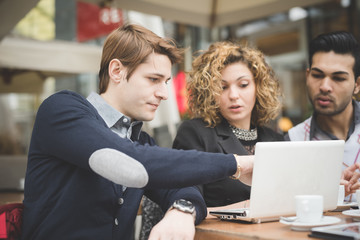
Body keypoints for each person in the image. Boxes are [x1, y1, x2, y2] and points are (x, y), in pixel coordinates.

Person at [20, 24, 254, 240]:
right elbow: (132, 162)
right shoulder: (61, 109)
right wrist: (235, 163)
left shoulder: (140, 139)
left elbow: (183, 188)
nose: (164, 93)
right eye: (154, 79)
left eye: (166, 82)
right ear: (116, 71)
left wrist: (181, 210)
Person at [172, 41, 284, 207]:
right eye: (222, 87)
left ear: (258, 87)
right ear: (209, 93)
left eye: (243, 85)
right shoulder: (195, 133)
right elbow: (186, 202)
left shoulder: (275, 139)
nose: (233, 95)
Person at [286, 31, 360, 201]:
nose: (325, 86)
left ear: (357, 85)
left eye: (338, 78)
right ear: (307, 76)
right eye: (317, 75)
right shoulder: (294, 141)